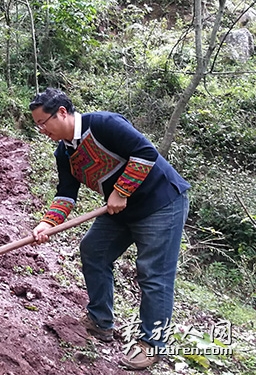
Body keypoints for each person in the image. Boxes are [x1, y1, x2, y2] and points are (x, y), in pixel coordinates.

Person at [29, 88, 190, 371]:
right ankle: (101, 321)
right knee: (94, 250)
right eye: (37, 125)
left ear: (63, 113)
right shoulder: (64, 152)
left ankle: (153, 343)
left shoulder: (103, 124)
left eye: (44, 122)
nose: (42, 130)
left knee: (154, 274)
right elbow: (66, 194)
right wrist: (47, 223)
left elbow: (145, 152)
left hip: (161, 203)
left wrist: (121, 190)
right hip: (121, 210)